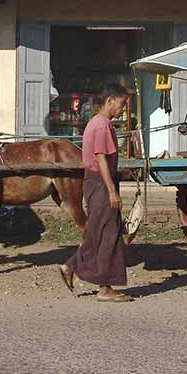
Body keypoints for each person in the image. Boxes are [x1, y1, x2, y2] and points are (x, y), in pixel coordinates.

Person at [58, 82, 133, 302]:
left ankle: (71, 267)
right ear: (110, 101)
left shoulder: (97, 123)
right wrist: (112, 190)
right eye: (121, 104)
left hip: (95, 183)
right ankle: (105, 288)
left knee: (98, 232)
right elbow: (100, 158)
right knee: (108, 234)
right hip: (100, 184)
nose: (123, 110)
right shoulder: (102, 125)